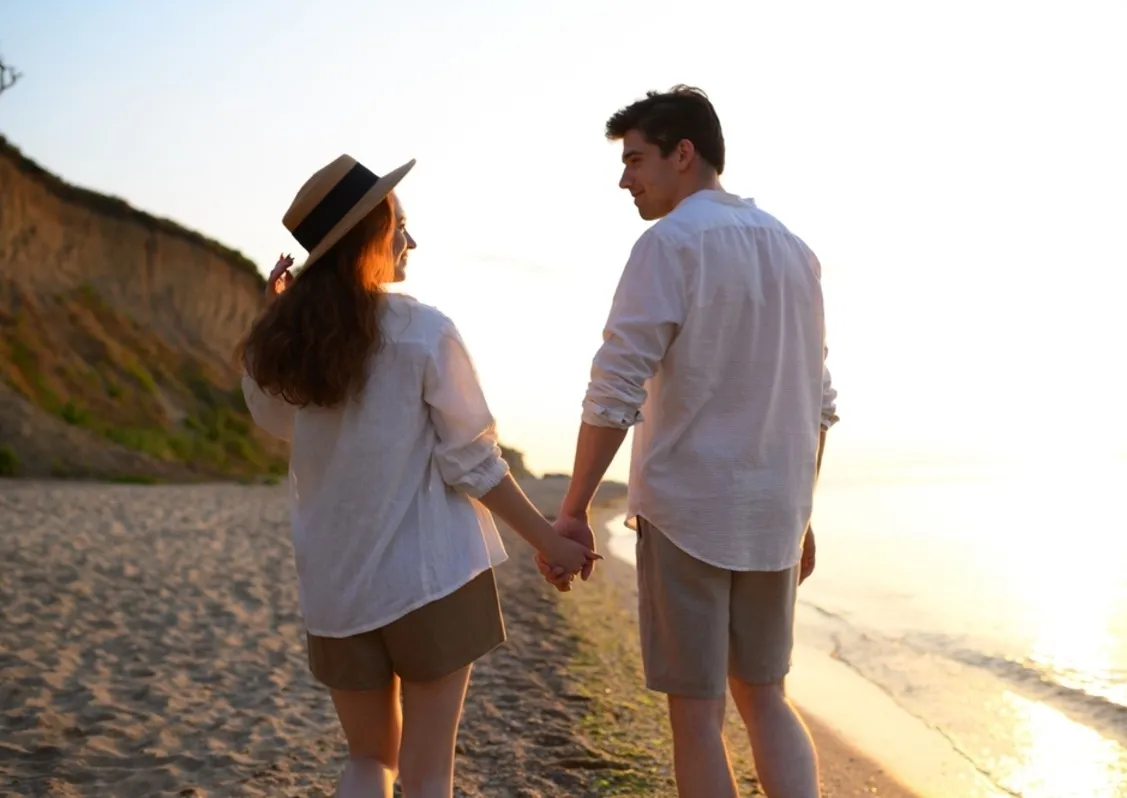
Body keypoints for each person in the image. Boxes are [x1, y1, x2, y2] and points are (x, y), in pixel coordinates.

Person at [238, 154, 598, 798]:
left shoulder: (283, 350)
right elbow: (472, 461)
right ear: (367, 239)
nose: (411, 239)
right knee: (429, 773)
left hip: (337, 587)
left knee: (368, 760)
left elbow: (274, 419)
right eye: (399, 226)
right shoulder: (423, 332)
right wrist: (548, 540)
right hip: (431, 578)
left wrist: (276, 321)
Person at [537, 86, 839, 797]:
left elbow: (614, 387)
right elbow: (818, 405)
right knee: (766, 696)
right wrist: (802, 512)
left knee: (697, 715)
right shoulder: (796, 252)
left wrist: (574, 508)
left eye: (634, 159)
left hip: (690, 512)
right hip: (773, 513)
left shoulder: (669, 243)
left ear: (683, 154)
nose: (625, 180)